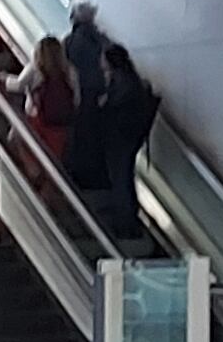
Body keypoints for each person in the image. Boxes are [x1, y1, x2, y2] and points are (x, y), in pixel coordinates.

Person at [66, 22, 159, 252]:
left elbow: (112, 110)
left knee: (121, 179)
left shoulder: (122, 85)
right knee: (123, 178)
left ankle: (125, 223)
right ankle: (127, 220)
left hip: (120, 140)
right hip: (128, 139)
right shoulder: (132, 82)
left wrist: (100, 106)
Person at [24, 33, 79, 171]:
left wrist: (1, 77)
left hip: (40, 123)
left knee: (16, 137)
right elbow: (77, 99)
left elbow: (18, 85)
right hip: (61, 127)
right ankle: (47, 185)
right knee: (54, 162)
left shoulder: (37, 70)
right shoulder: (70, 71)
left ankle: (33, 173)